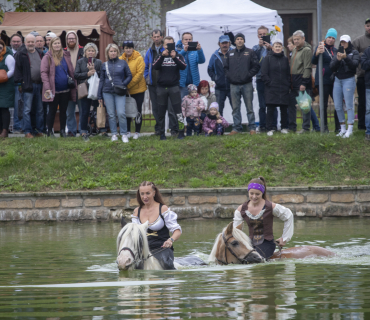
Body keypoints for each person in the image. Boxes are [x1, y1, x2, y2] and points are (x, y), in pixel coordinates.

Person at [233, 176, 294, 260]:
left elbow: (289, 215)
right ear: (248, 192)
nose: (254, 196)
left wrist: (284, 238)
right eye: (251, 193)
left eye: (257, 194)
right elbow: (236, 231)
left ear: (262, 193)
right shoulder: (241, 209)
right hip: (249, 244)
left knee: (255, 260)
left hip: (267, 244)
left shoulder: (270, 206)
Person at [132, 181, 182, 270]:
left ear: (154, 193)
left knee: (166, 265)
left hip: (162, 248)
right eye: (142, 194)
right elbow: (134, 234)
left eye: (148, 193)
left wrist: (170, 240)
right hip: (143, 250)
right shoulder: (137, 211)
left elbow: (177, 231)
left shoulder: (163, 209)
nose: (144, 197)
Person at [224, 32, 260, 135]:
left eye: (241, 39)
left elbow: (256, 66)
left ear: (244, 40)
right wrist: (230, 76)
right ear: (234, 41)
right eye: (237, 39)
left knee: (249, 107)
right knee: (235, 108)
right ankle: (236, 128)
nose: (239, 40)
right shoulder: (230, 53)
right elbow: (225, 68)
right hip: (234, 84)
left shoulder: (250, 52)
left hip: (247, 84)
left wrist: (248, 75)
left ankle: (252, 128)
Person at [152, 36, 187, 141]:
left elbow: (183, 66)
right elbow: (155, 66)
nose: (168, 46)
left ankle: (181, 133)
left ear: (174, 45)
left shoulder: (179, 56)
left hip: (174, 87)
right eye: (166, 44)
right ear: (163, 45)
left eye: (170, 44)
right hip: (162, 88)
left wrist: (174, 57)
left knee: (178, 112)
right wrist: (163, 56)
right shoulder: (159, 55)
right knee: (161, 112)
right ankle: (162, 134)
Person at [41, 37, 76, 138]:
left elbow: (71, 71)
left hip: (65, 89)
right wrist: (47, 87)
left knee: (63, 111)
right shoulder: (47, 57)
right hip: (53, 90)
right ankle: (49, 131)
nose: (57, 45)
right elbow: (43, 73)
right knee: (52, 111)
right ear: (51, 45)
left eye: (58, 43)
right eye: (55, 43)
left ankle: (62, 131)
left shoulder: (65, 55)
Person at [144, 30, 177, 136]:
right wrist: (146, 78)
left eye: (158, 36)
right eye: (155, 37)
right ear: (152, 38)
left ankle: (174, 129)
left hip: (165, 84)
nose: (156, 38)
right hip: (153, 84)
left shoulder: (167, 50)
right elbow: (146, 67)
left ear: (162, 37)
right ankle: (159, 129)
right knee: (156, 109)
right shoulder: (149, 51)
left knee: (170, 108)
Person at [98, 43, 132, 143]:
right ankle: (114, 134)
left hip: (120, 92)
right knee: (111, 114)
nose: (113, 53)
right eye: (111, 51)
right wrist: (99, 95)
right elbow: (101, 80)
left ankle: (124, 134)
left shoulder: (123, 63)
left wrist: (123, 84)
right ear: (107, 53)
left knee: (121, 113)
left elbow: (129, 76)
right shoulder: (104, 65)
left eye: (114, 51)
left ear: (118, 52)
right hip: (107, 92)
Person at [14, 34, 44, 138]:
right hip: (27, 86)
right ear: (25, 43)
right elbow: (17, 71)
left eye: (32, 42)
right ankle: (27, 131)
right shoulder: (21, 54)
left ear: (35, 43)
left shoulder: (40, 53)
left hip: (39, 85)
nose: (31, 44)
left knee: (39, 109)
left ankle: (39, 130)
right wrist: (20, 84)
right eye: (29, 42)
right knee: (27, 110)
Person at [330, 35, 360, 138]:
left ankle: (350, 128)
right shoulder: (337, 52)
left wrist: (345, 58)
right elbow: (332, 67)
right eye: (341, 42)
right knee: (338, 105)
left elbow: (354, 65)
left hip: (349, 79)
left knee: (349, 105)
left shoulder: (354, 52)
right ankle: (342, 128)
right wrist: (338, 60)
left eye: (345, 42)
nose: (343, 44)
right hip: (338, 80)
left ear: (349, 42)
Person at [311, 28, 340, 133]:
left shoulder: (336, 50)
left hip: (334, 80)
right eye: (329, 37)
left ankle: (338, 127)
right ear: (326, 38)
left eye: (333, 38)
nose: (331, 40)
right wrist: (317, 53)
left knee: (338, 104)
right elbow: (313, 61)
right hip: (323, 80)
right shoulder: (320, 48)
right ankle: (324, 127)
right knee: (323, 105)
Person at [289, 30, 317, 133]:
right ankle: (292, 127)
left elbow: (307, 67)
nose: (296, 41)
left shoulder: (306, 50)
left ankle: (305, 128)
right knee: (291, 105)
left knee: (305, 106)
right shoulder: (295, 50)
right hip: (293, 81)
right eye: (294, 39)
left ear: (303, 39)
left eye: (298, 39)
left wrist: (304, 83)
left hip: (302, 81)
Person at [261, 39, 290, 136]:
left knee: (284, 109)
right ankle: (269, 128)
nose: (277, 48)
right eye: (276, 46)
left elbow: (287, 73)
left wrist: (287, 84)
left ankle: (284, 127)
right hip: (271, 88)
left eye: (279, 46)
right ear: (272, 48)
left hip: (283, 88)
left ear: (282, 48)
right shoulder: (267, 58)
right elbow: (264, 74)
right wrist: (270, 83)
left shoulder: (285, 59)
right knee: (270, 109)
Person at [74, 42, 102, 142]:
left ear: (96, 52)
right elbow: (76, 75)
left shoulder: (98, 62)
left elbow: (102, 76)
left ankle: (101, 130)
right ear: (85, 52)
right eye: (89, 50)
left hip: (95, 89)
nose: (91, 52)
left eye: (93, 50)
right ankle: (84, 131)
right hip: (84, 89)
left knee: (97, 110)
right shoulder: (80, 62)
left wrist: (95, 72)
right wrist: (87, 73)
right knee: (84, 111)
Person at [119, 40, 147, 140]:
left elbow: (139, 74)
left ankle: (137, 132)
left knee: (137, 111)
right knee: (127, 111)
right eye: (126, 48)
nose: (128, 50)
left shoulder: (139, 58)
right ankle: (127, 131)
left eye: (130, 48)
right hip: (125, 90)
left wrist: (128, 85)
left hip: (138, 89)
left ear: (133, 48)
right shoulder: (120, 59)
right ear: (123, 49)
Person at [253, 26, 277, 133]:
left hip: (272, 79)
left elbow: (278, 58)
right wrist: (259, 48)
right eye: (260, 34)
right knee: (262, 104)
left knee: (272, 103)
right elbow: (254, 62)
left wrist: (270, 49)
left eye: (264, 34)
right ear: (258, 36)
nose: (262, 36)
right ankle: (262, 126)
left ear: (268, 35)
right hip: (260, 78)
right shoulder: (255, 48)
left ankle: (273, 125)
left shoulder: (274, 46)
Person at [207, 34, 234, 116]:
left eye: (226, 43)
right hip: (219, 87)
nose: (224, 45)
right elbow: (209, 69)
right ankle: (219, 127)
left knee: (235, 108)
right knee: (218, 110)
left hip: (232, 86)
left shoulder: (234, 53)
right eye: (223, 43)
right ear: (219, 44)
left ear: (229, 43)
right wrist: (216, 78)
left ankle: (238, 127)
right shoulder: (215, 55)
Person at [64, 31, 84, 137]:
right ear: (66, 40)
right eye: (69, 38)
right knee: (69, 110)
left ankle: (82, 130)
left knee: (82, 109)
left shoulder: (83, 50)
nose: (71, 40)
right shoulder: (63, 51)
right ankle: (71, 131)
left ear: (76, 39)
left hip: (81, 84)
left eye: (73, 38)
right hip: (68, 85)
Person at [176, 32, 206, 99]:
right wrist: (184, 51)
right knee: (183, 103)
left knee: (194, 103)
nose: (188, 41)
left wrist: (199, 50)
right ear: (182, 41)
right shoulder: (177, 49)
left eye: (190, 39)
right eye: (186, 39)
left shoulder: (195, 50)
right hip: (182, 83)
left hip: (194, 83)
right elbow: (177, 60)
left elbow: (202, 61)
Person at [352, 18, 370, 131]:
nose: (369, 27)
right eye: (368, 25)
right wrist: (366, 55)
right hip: (363, 76)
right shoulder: (358, 41)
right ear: (365, 27)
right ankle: (362, 125)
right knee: (363, 102)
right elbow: (353, 54)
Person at [0, 40, 15, 138]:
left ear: (3, 47)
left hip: (5, 85)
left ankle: (5, 130)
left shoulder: (8, 57)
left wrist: (3, 78)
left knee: (4, 108)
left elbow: (12, 70)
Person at [9, 34, 23, 134]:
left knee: (19, 105)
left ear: (21, 43)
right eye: (14, 41)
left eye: (18, 41)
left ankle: (18, 127)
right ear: (10, 43)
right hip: (7, 83)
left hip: (19, 83)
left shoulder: (23, 53)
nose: (16, 43)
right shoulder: (8, 53)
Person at [361, 44, 370, 142]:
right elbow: (363, 65)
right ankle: (368, 132)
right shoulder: (367, 51)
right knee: (369, 110)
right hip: (369, 85)